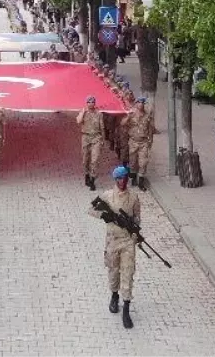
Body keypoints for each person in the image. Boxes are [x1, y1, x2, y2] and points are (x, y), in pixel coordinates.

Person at [88, 165, 141, 329]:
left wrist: (135, 231)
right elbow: (91, 209)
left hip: (127, 241)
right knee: (113, 271)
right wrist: (104, 215)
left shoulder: (133, 197)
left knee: (128, 272)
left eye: (124, 178)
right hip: (112, 241)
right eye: (118, 178)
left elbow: (137, 217)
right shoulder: (107, 196)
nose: (121, 181)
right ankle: (114, 295)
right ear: (115, 179)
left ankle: (126, 308)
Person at [124, 97, 155, 191]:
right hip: (133, 141)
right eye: (139, 102)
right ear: (136, 103)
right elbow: (122, 123)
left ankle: (141, 182)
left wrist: (150, 141)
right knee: (133, 162)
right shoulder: (131, 114)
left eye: (142, 103)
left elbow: (150, 129)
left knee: (143, 162)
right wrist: (128, 117)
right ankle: (133, 178)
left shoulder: (147, 116)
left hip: (143, 142)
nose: (141, 104)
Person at [77, 96, 104, 191]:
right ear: (86, 103)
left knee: (94, 160)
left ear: (94, 103)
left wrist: (102, 140)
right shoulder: (83, 112)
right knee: (85, 159)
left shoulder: (99, 114)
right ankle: (86, 175)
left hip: (96, 138)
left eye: (92, 102)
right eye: (89, 102)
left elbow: (102, 128)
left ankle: (92, 180)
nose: (91, 104)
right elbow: (78, 121)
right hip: (86, 138)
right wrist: (82, 113)